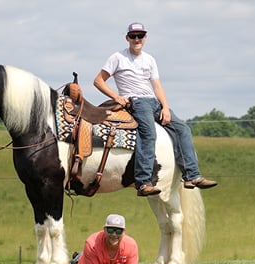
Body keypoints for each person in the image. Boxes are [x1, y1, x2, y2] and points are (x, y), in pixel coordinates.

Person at [93, 22, 217, 196]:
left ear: (145, 37)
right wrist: (117, 97)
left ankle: (192, 176)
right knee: (148, 133)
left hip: (154, 102)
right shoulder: (117, 58)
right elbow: (98, 81)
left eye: (140, 35)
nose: (137, 39)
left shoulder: (149, 59)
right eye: (133, 36)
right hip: (136, 102)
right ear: (127, 38)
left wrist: (165, 107)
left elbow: (157, 86)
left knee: (183, 129)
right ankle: (143, 182)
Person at [71, 213, 138, 264]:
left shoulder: (131, 245)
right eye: (110, 230)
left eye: (118, 231)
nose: (114, 234)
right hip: (82, 262)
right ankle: (78, 256)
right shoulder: (92, 244)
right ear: (104, 229)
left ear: (124, 232)